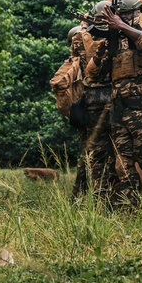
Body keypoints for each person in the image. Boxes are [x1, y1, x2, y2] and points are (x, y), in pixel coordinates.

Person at [87, 0, 142, 211]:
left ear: (134, 14)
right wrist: (99, 56)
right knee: (122, 164)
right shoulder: (113, 44)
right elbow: (92, 75)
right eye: (118, 16)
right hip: (119, 111)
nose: (118, 19)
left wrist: (121, 26)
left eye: (123, 15)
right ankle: (129, 210)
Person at [76, 1, 115, 200]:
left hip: (96, 99)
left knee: (97, 151)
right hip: (114, 97)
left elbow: (81, 55)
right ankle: (110, 196)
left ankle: (100, 196)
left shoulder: (83, 37)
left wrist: (84, 27)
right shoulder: (118, 32)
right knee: (115, 150)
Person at [50, 26, 87, 194]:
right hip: (89, 110)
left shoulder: (72, 63)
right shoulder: (79, 63)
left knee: (87, 154)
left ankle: (78, 194)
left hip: (80, 112)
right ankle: (81, 194)